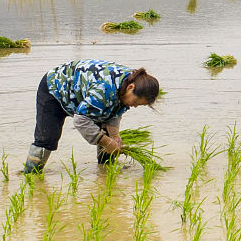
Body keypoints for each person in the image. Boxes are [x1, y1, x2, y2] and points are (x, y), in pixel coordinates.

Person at [23, 59, 160, 173]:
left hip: (82, 94)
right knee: (48, 138)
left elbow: (114, 111)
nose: (134, 106)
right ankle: (30, 174)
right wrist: (106, 141)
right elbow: (80, 120)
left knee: (109, 138)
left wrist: (114, 135)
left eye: (139, 105)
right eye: (135, 102)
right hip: (55, 89)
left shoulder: (134, 82)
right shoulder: (103, 89)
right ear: (130, 87)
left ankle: (104, 173)